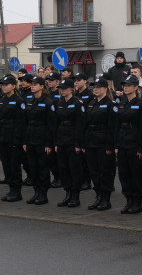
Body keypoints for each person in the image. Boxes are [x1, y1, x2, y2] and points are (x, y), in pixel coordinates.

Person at [81, 76, 117, 211]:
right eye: (94, 87)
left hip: (103, 143)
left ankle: (106, 199)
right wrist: (84, 143)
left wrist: (110, 146)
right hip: (91, 142)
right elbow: (85, 124)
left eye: (98, 87)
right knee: (94, 172)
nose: (95, 89)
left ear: (105, 88)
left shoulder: (110, 104)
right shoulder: (91, 103)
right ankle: (98, 197)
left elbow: (112, 127)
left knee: (105, 172)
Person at [115, 74, 142, 215]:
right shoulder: (122, 103)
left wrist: (141, 147)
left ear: (135, 87)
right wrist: (116, 144)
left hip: (134, 143)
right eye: (124, 85)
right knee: (124, 174)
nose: (126, 87)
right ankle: (128, 200)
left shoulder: (140, 104)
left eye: (129, 85)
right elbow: (117, 125)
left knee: (136, 174)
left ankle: (137, 202)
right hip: (123, 142)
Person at [22, 76, 54, 205]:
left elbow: (51, 125)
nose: (32, 86)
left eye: (35, 84)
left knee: (42, 168)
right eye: (32, 84)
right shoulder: (29, 100)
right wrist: (25, 141)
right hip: (30, 139)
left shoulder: (48, 102)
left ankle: (43, 194)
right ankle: (36, 192)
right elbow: (26, 123)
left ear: (42, 86)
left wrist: (49, 143)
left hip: (42, 140)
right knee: (33, 168)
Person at [53, 77, 84, 208]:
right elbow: (55, 123)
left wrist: (78, 144)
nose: (62, 91)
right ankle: (67, 194)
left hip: (72, 140)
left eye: (65, 89)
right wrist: (55, 142)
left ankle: (75, 196)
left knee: (74, 169)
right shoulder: (59, 103)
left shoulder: (77, 103)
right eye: (61, 88)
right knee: (63, 169)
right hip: (61, 140)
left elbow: (80, 125)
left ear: (72, 89)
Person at [0, 74, 26, 201]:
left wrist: (17, 139)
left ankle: (16, 191)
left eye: (6, 84)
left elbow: (21, 122)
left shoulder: (19, 101)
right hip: (3, 137)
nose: (4, 87)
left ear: (14, 86)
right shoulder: (2, 99)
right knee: (6, 165)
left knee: (14, 165)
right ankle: (10, 189)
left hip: (13, 137)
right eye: (2, 85)